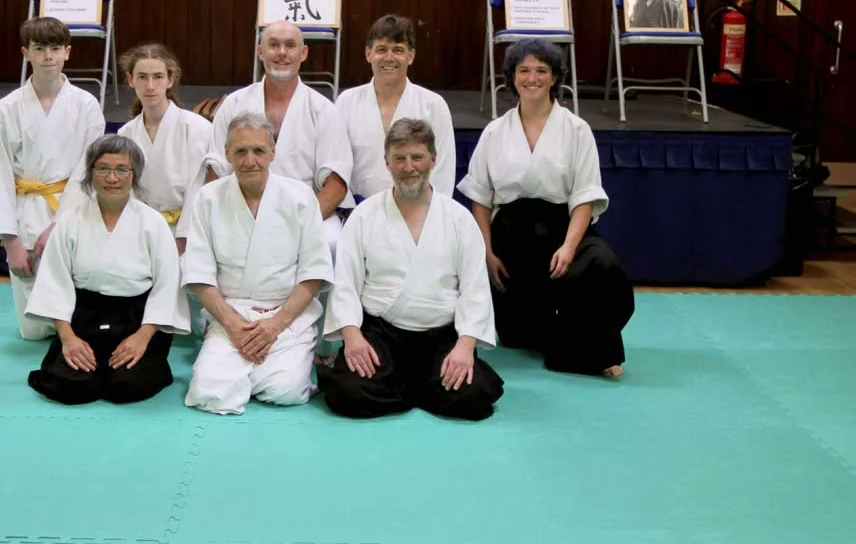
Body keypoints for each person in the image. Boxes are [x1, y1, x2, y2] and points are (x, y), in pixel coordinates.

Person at [457, 39, 634, 378]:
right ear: (512, 77)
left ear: (554, 77)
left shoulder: (576, 130)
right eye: (524, 70)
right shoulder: (495, 131)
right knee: (519, 337)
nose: (532, 78)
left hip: (563, 231)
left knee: (601, 265)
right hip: (511, 243)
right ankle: (548, 329)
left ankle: (596, 352)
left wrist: (569, 247)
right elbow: (479, 197)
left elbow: (585, 196)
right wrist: (487, 253)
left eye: (541, 70)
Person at [316, 119, 504, 420]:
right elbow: (346, 283)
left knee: (474, 395)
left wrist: (465, 346)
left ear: (433, 159)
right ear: (387, 163)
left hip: (441, 338)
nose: (408, 167)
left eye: (417, 157)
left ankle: (402, 387)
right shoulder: (364, 215)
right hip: (382, 336)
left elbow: (475, 290)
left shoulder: (459, 219)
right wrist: (352, 337)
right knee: (347, 392)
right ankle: (420, 389)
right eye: (399, 158)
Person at [182, 112, 335, 415]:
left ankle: (253, 370)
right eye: (240, 151)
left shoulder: (300, 197)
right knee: (208, 393)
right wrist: (233, 326)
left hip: (286, 316)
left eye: (258, 151)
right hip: (231, 315)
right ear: (227, 153)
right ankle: (240, 366)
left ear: (272, 152)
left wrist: (274, 326)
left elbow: (314, 272)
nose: (249, 161)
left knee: (285, 392)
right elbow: (199, 273)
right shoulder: (208, 198)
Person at [25, 134, 190, 405]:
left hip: (136, 319)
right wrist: (68, 338)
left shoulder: (153, 223)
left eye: (122, 169)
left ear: (134, 175)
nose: (112, 178)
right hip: (83, 319)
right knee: (70, 386)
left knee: (127, 385)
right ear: (90, 173)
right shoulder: (69, 221)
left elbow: (168, 285)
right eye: (103, 169)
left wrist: (143, 337)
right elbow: (54, 282)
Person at [0, 17, 106, 340]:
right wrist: (10, 240)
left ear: (67, 52)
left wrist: (60, 223)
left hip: (72, 211)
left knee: (77, 316)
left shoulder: (86, 106)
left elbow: (88, 171)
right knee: (33, 330)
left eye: (55, 48)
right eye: (39, 49)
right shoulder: (7, 109)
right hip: (26, 212)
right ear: (26, 53)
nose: (48, 57)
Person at [202, 21, 353, 255]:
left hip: (303, 211)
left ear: (303, 53)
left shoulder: (323, 110)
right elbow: (217, 170)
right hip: (241, 207)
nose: (282, 52)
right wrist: (232, 214)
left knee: (331, 241)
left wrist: (302, 223)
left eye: (290, 45)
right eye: (273, 45)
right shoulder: (234, 104)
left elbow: (336, 183)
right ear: (260, 52)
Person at [336, 14, 456, 199]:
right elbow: (337, 166)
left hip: (419, 208)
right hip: (359, 209)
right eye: (381, 49)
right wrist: (352, 211)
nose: (389, 58)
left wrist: (427, 212)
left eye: (398, 50)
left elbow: (443, 173)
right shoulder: (347, 102)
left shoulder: (433, 105)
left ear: (411, 56)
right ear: (368, 54)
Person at [116, 42, 212, 254]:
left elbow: (198, 187)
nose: (150, 86)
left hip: (186, 232)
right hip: (140, 230)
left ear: (170, 79)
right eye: (142, 77)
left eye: (158, 77)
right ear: (131, 80)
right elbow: (127, 191)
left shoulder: (196, 128)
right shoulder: (126, 133)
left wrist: (183, 238)